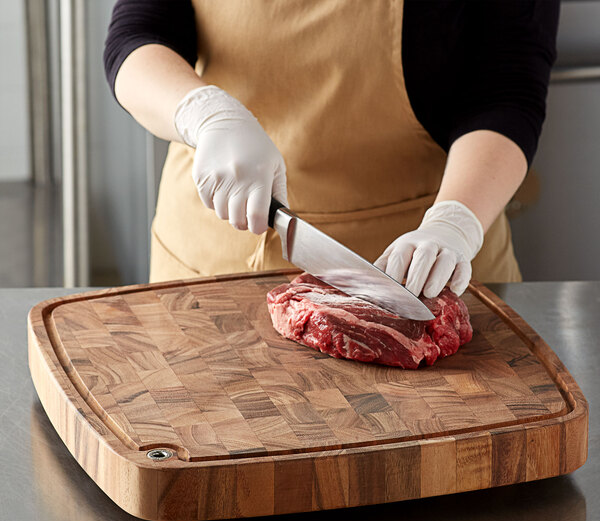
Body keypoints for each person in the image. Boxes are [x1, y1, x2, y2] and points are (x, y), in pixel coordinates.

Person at [104, 0, 559, 298]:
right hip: (211, 262)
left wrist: (455, 223)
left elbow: (507, 87)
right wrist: (203, 113)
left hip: (422, 271)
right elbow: (137, 34)